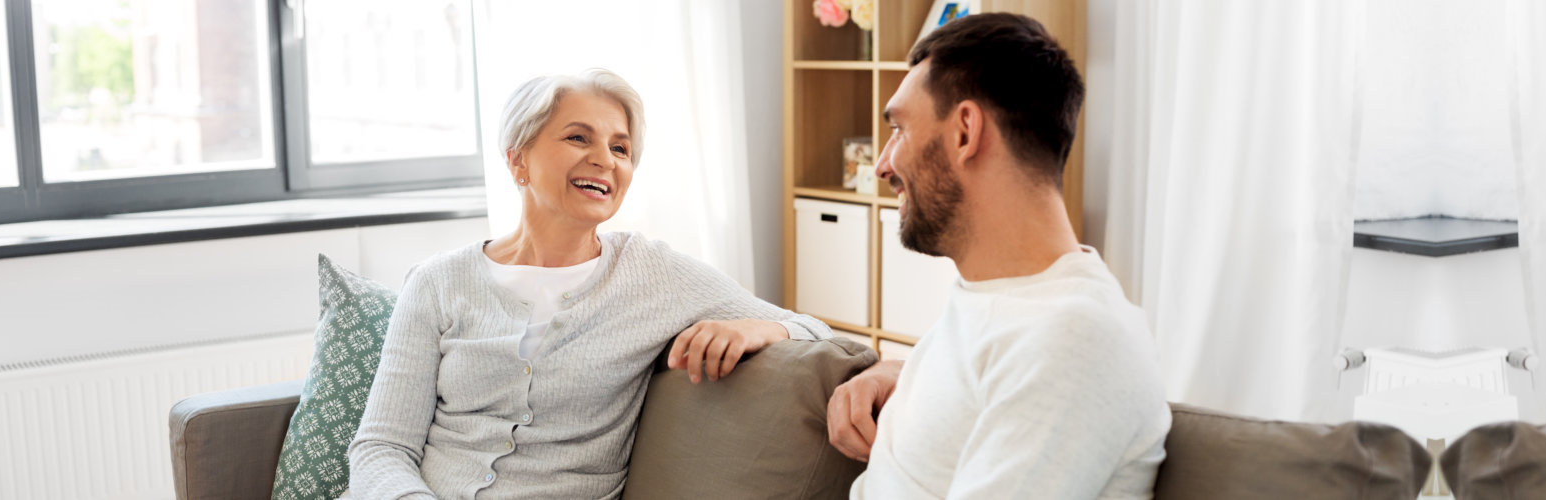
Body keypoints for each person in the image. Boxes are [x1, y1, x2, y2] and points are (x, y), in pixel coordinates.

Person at [344, 68, 831, 499]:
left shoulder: (652, 272)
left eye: (620, 148)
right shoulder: (437, 281)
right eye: (579, 138)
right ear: (518, 161)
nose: (606, 160)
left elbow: (819, 333)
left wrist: (759, 330)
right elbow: (382, 445)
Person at [825, 13, 1171, 499]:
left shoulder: (1077, 340)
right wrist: (898, 375)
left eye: (899, 129)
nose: (882, 164)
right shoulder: (998, 299)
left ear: (965, 131)